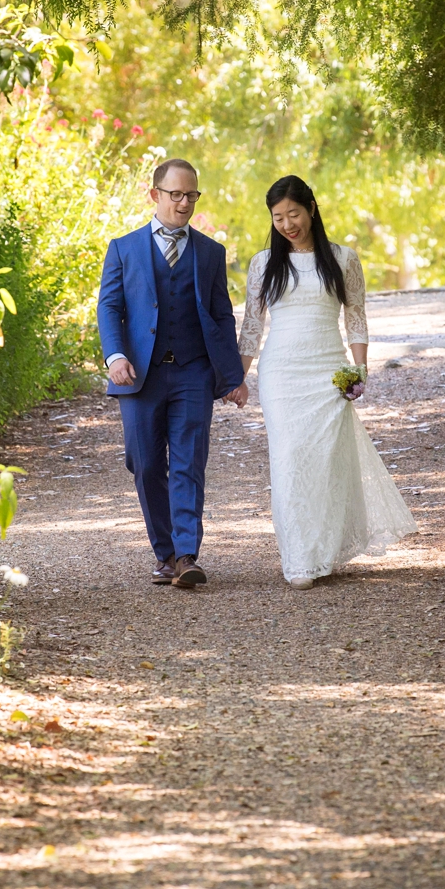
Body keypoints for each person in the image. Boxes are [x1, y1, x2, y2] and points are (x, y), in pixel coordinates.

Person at [236, 175, 416, 588]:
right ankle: (298, 559)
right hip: (281, 374)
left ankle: (323, 551)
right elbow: (251, 326)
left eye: (293, 214)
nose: (286, 224)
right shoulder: (263, 264)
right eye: (278, 217)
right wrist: (238, 376)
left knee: (325, 464)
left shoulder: (343, 258)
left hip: (327, 372)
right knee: (289, 460)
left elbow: (356, 317)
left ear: (311, 209)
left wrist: (360, 369)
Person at [98, 158, 247, 589]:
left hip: (193, 373)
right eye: (176, 194)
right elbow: (109, 307)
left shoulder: (210, 253)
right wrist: (115, 356)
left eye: (192, 195)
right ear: (155, 195)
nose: (184, 203)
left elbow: (222, 315)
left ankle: (186, 555)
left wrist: (232, 375)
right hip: (139, 375)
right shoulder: (122, 248)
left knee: (188, 462)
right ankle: (164, 552)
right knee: (144, 464)